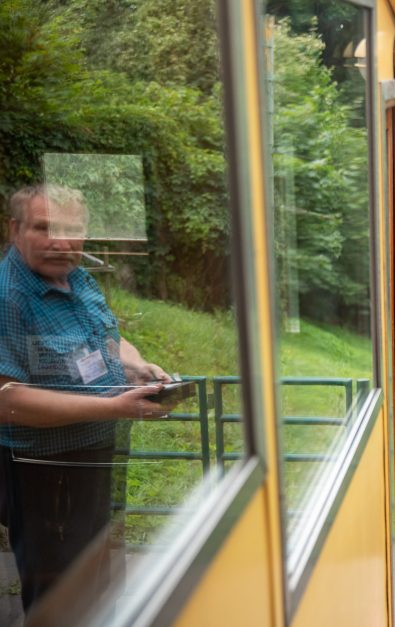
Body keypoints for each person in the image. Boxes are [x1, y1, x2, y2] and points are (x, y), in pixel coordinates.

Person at [0, 184, 174, 614]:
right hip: (46, 474)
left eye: (72, 229)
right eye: (44, 228)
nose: (61, 241)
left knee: (97, 580)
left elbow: (107, 338)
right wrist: (113, 406)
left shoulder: (77, 276)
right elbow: (6, 400)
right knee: (60, 596)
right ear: (15, 229)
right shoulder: (7, 297)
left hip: (97, 458)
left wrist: (138, 366)